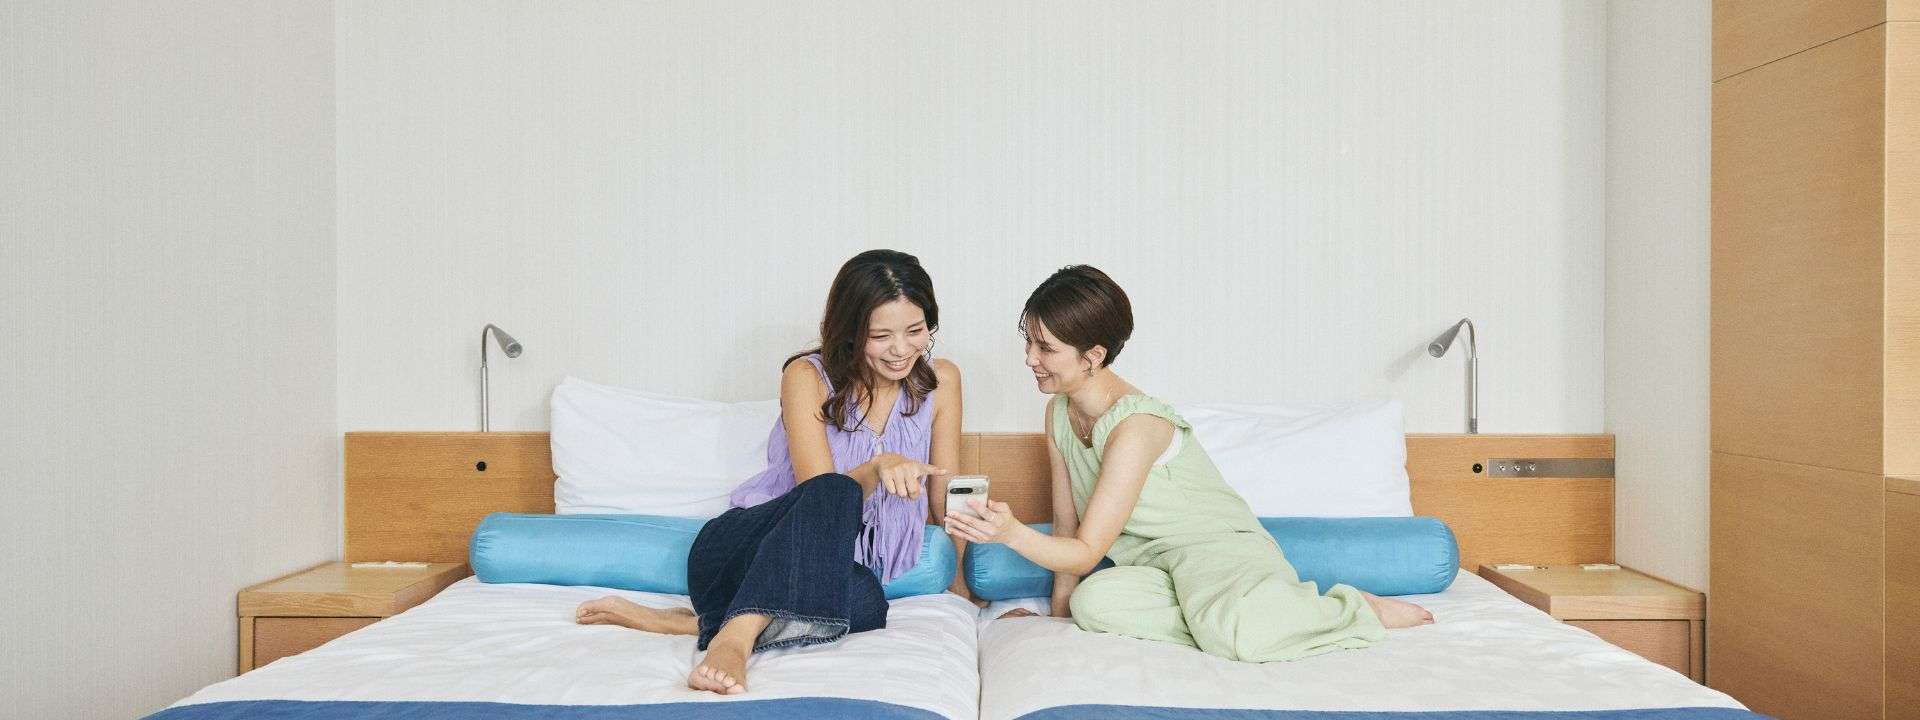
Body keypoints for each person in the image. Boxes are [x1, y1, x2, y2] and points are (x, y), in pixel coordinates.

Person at [944, 265, 1430, 663]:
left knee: (1240, 637)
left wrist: (1010, 533)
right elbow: (1067, 524)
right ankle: (1241, 615)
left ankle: (1349, 608)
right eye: (1029, 342)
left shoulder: (1137, 426)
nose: (1030, 358)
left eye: (1045, 348)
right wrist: (1058, 618)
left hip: (1217, 551)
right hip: (1154, 566)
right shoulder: (1058, 413)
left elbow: (1087, 552)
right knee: (1093, 604)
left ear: (1093, 355)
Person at [575, 249, 963, 693]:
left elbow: (946, 493)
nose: (901, 350)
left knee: (869, 602)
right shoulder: (806, 376)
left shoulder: (942, 380)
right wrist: (876, 469)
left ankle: (689, 623)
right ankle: (733, 641)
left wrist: (961, 588)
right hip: (744, 551)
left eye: (915, 331)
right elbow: (821, 496)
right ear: (851, 331)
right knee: (835, 491)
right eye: (880, 336)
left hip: (823, 575)